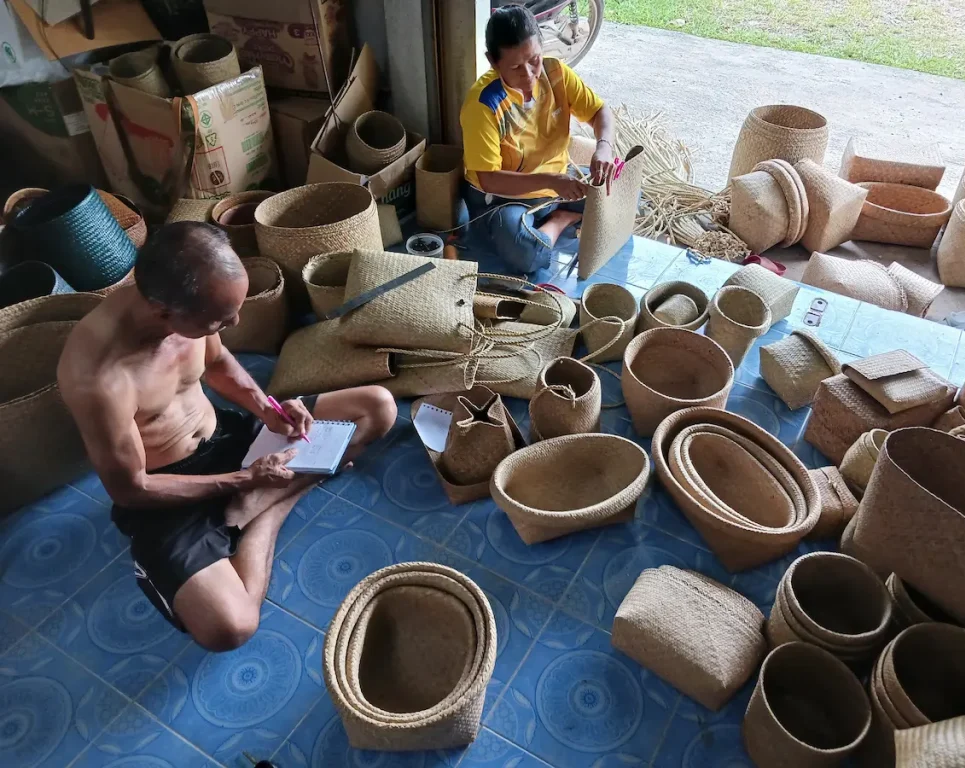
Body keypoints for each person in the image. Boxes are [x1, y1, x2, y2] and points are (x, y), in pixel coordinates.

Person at [57, 222, 397, 652]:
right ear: (165, 313)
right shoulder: (100, 379)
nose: (233, 323)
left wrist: (270, 411)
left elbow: (218, 366)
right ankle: (276, 505)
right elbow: (133, 489)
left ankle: (256, 507)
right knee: (229, 628)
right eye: (220, 319)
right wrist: (245, 484)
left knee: (378, 408)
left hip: (232, 441)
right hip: (170, 491)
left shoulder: (192, 300)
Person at [460, 3, 616, 274]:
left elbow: (600, 111)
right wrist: (552, 182)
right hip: (504, 199)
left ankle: (556, 219)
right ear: (493, 62)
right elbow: (489, 179)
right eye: (516, 67)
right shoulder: (483, 105)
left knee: (625, 196)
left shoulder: (556, 73)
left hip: (558, 183)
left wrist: (604, 147)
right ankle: (561, 219)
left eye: (534, 60)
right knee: (525, 255)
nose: (530, 74)